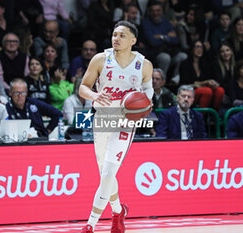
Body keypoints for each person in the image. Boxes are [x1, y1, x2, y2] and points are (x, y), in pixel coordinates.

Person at [79, 20, 154, 233]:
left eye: (121, 35)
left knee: (108, 173)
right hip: (102, 119)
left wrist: (147, 103)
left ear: (133, 40)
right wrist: (95, 95)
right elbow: (83, 87)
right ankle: (118, 211)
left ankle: (90, 224)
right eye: (114, 34)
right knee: (105, 172)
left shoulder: (144, 65)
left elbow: (149, 93)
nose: (116, 38)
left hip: (125, 121)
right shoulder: (100, 59)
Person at [140, 1, 187, 83]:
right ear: (149, 12)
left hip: (170, 52)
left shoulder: (166, 22)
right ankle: (161, 82)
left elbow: (176, 40)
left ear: (162, 11)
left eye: (158, 10)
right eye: (153, 11)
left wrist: (161, 37)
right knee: (165, 58)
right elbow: (152, 42)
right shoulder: (145, 23)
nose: (155, 13)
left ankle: (175, 80)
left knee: (183, 56)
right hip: (154, 54)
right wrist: (167, 36)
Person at [179, 40, 225, 111]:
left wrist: (213, 83)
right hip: (190, 91)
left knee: (220, 90)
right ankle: (201, 117)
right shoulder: (185, 64)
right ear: (192, 49)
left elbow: (214, 77)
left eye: (201, 47)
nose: (199, 49)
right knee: (206, 91)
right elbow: (185, 82)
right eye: (197, 47)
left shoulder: (206, 63)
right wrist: (204, 83)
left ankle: (214, 116)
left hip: (207, 89)